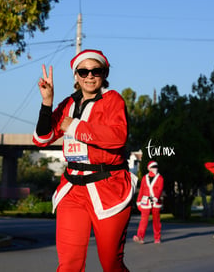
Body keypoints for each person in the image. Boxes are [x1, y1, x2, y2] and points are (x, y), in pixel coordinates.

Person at [33, 49, 137, 271]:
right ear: (76, 76)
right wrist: (47, 102)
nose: (89, 76)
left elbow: (117, 137)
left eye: (95, 71)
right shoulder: (68, 104)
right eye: (83, 71)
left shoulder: (113, 100)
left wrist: (74, 126)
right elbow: (43, 138)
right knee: (69, 263)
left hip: (109, 187)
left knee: (111, 263)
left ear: (104, 74)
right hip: (72, 190)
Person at [133, 160, 164, 244]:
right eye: (153, 167)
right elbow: (142, 190)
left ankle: (157, 238)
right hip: (145, 201)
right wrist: (138, 201)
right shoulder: (144, 177)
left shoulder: (160, 178)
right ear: (149, 168)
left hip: (155, 202)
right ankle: (140, 237)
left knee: (156, 220)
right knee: (143, 220)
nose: (155, 168)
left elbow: (159, 189)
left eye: (156, 167)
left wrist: (156, 197)